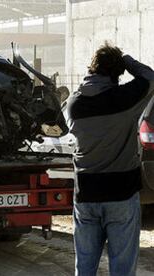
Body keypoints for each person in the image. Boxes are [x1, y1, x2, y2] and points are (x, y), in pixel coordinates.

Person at [66, 43, 154, 276]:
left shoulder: (74, 104)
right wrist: (126, 60)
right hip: (121, 194)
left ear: (92, 67)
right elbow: (151, 77)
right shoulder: (125, 98)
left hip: (85, 194)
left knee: (84, 267)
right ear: (117, 71)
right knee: (122, 268)